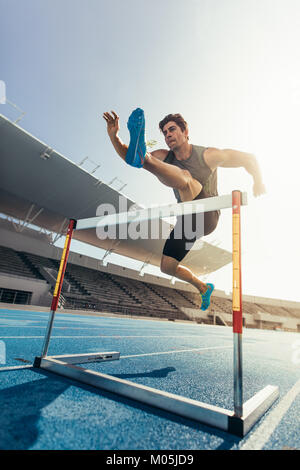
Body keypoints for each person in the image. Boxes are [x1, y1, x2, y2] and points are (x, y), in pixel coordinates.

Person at [103, 108, 266, 310]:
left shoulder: (208, 155)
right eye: (164, 133)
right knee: (167, 267)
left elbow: (249, 158)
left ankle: (144, 157)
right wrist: (114, 136)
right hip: (187, 220)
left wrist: (258, 181)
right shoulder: (165, 155)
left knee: (185, 177)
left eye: (172, 130)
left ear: (185, 131)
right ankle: (203, 287)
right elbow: (131, 158)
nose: (168, 135)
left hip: (207, 214)